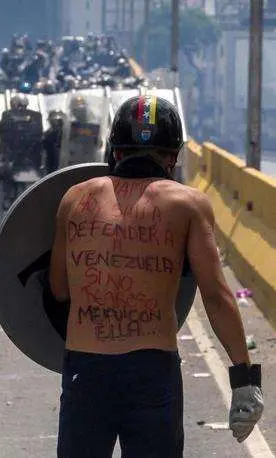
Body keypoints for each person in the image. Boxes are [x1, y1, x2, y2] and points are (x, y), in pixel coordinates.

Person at [49, 95, 264, 457]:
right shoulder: (188, 204)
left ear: (114, 151)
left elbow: (57, 288)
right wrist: (244, 379)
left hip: (86, 369)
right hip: (151, 370)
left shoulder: (75, 198)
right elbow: (216, 296)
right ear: (173, 157)